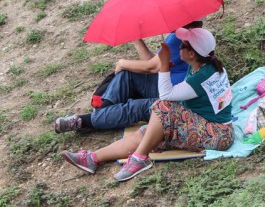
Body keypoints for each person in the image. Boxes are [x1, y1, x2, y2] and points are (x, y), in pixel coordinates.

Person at [60, 27, 234, 181]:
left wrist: (164, 64)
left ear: (191, 54)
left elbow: (166, 96)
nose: (178, 47)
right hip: (201, 123)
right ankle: (92, 158)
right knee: (146, 133)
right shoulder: (206, 66)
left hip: (218, 133)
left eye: (182, 46)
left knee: (161, 107)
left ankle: (139, 159)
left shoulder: (201, 77)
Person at [54, 21, 203, 133]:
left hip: (173, 98)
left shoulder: (180, 38)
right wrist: (136, 39)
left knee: (136, 107)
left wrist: (122, 62)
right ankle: (103, 114)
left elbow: (152, 67)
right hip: (166, 86)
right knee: (127, 75)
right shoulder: (188, 34)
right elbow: (155, 63)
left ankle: (86, 121)